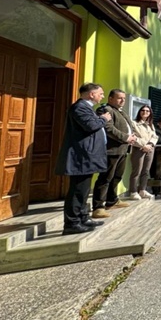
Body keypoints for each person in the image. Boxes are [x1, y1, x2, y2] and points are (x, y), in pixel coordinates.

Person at [55, 83, 110, 234]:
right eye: (100, 93)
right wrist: (103, 119)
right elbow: (91, 125)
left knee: (84, 190)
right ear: (91, 94)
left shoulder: (87, 108)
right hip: (81, 156)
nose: (102, 96)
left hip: (87, 156)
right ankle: (72, 223)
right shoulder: (79, 108)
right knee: (78, 191)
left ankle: (83, 217)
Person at [92, 89, 136, 218]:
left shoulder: (121, 111)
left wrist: (132, 137)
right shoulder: (105, 110)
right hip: (111, 150)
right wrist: (126, 137)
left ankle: (112, 200)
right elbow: (108, 128)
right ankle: (98, 207)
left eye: (124, 98)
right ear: (110, 98)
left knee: (117, 176)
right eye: (119, 98)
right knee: (105, 178)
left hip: (123, 149)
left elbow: (128, 127)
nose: (122, 100)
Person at [128, 106, 158, 200]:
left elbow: (155, 136)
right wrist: (144, 145)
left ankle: (142, 190)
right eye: (143, 110)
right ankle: (133, 191)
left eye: (147, 111)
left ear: (150, 113)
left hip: (150, 149)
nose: (145, 112)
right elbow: (133, 136)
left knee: (146, 171)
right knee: (136, 171)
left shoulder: (150, 124)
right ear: (139, 112)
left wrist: (150, 144)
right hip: (138, 149)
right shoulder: (134, 123)